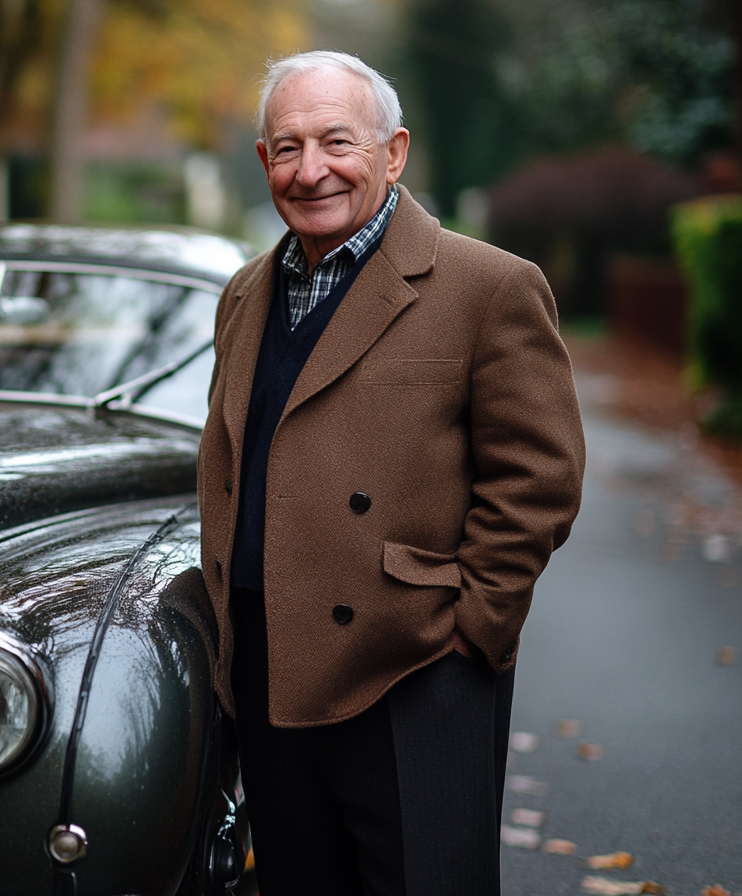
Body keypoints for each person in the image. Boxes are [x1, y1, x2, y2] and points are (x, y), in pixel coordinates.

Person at [197, 50, 585, 895]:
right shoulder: (243, 294)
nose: (312, 171)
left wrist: (472, 627)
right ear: (264, 161)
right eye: (288, 148)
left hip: (415, 668)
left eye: (338, 141)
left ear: (393, 153)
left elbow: (541, 479)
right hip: (268, 667)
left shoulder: (489, 286)